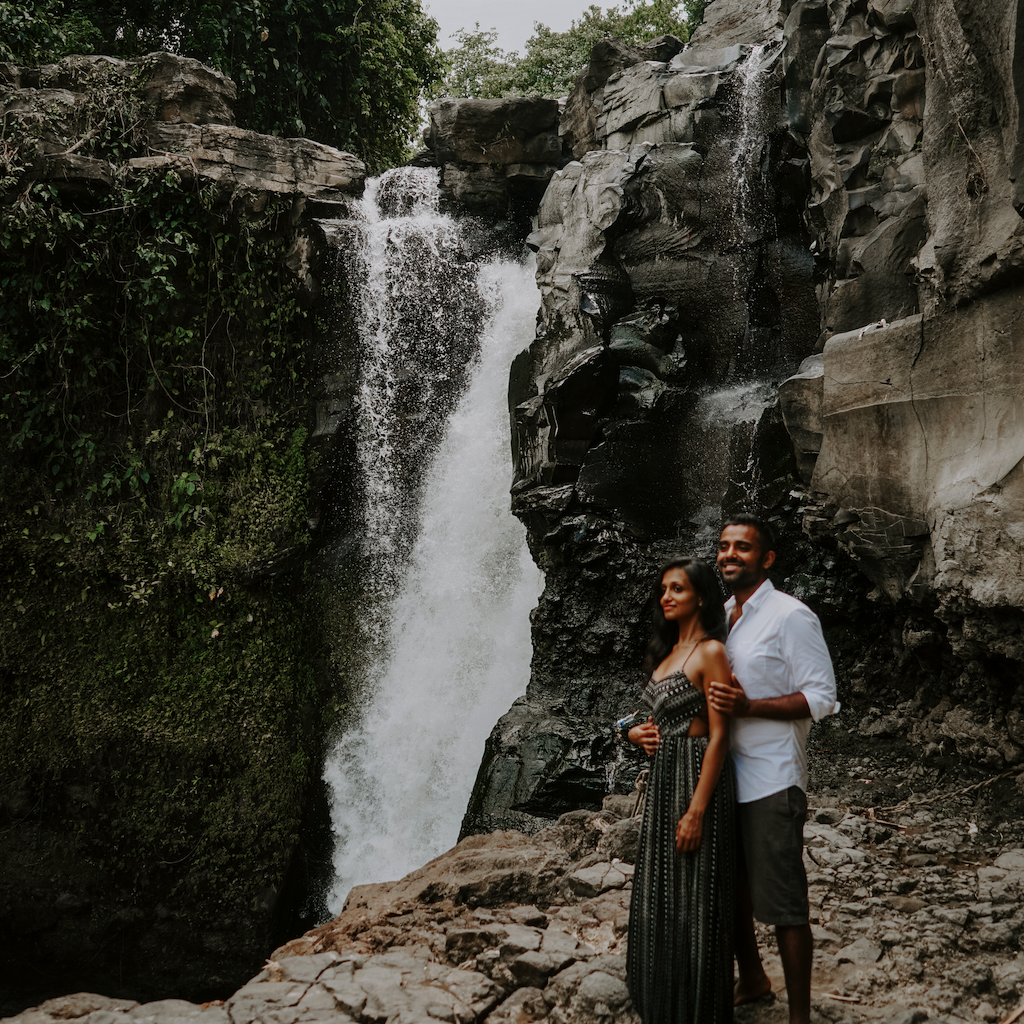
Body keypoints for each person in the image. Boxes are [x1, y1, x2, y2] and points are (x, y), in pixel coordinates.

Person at [708, 514, 837, 1024]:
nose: (729, 555)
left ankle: (800, 1016)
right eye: (723, 547)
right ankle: (754, 978)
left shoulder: (790, 616)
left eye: (742, 547)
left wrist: (750, 708)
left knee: (783, 898)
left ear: (767, 559)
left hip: (771, 775)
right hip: (722, 774)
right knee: (731, 887)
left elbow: (822, 698)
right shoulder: (723, 616)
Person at [624, 556, 736, 1024]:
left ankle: (697, 1009)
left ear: (703, 597)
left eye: (678, 590)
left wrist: (696, 811)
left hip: (694, 777)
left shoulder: (711, 652)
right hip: (664, 777)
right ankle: (659, 1001)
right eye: (664, 589)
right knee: (660, 890)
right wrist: (632, 733)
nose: (666, 597)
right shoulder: (667, 652)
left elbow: (719, 736)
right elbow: (647, 718)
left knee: (697, 894)